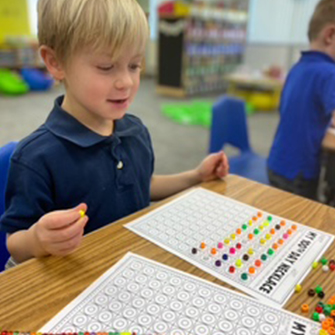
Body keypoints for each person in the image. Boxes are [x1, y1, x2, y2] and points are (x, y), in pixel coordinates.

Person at [0, 0, 229, 268]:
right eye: (107, 67)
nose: (127, 82)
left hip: (126, 269)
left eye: (134, 66)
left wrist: (196, 176)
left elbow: (144, 185)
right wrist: (38, 239)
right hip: (69, 283)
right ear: (55, 62)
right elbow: (14, 242)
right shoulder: (35, 157)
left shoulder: (135, 131)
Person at [268, 0, 335, 200]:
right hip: (299, 173)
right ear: (330, 35)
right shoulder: (329, 73)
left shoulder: (298, 67)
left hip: (276, 163)